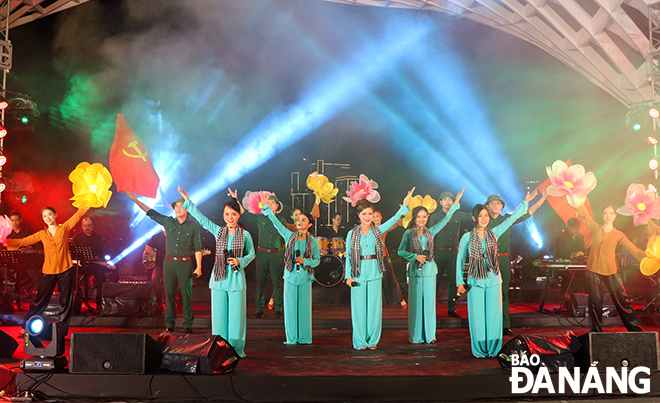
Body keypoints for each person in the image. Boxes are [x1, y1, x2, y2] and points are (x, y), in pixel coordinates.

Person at [456, 191, 535, 358]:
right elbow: (460, 260)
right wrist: (459, 282)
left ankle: (493, 349)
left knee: (493, 316)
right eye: (481, 216)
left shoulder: (495, 233)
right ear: (474, 218)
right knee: (477, 317)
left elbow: (511, 219)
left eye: (486, 215)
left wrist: (525, 203)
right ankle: (479, 349)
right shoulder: (466, 237)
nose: (484, 218)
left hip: (493, 279)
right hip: (475, 281)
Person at [177, 187, 254, 357]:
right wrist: (188, 202)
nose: (230, 217)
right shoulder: (219, 231)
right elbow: (202, 220)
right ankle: (220, 347)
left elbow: (252, 254)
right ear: (223, 216)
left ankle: (236, 349)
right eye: (227, 214)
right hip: (219, 278)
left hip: (236, 278)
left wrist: (239, 261)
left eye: (233, 214)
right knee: (218, 317)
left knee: (236, 317)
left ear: (238, 215)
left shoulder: (245, 234)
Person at [345, 188, 414, 350]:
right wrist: (348, 276)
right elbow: (348, 256)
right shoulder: (352, 234)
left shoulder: (377, 231)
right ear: (359, 216)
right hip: (358, 275)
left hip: (375, 273)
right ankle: (361, 341)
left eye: (370, 214)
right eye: (364, 214)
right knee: (359, 310)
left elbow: (393, 220)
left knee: (375, 309)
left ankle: (373, 341)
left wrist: (405, 205)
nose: (367, 217)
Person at [126, 192, 202, 333]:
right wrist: (135, 200)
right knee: (169, 295)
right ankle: (169, 325)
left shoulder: (193, 227)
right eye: (176, 206)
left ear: (187, 209)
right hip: (168, 264)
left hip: (185, 264)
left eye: (181, 206)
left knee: (186, 295)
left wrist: (199, 267)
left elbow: (198, 247)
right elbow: (151, 212)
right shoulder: (168, 222)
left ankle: (187, 325)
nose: (178, 209)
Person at [7, 206, 89, 334]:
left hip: (66, 270)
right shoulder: (42, 234)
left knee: (65, 302)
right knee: (40, 300)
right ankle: (26, 326)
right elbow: (22, 241)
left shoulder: (64, 228)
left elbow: (78, 215)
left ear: (55, 215)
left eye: (49, 214)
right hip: (49, 270)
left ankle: (61, 331)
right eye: (44, 216)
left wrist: (89, 201)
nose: (47, 218)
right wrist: (5, 241)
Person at [398, 188, 464, 344]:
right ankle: (416, 336)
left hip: (429, 270)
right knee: (415, 305)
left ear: (427, 218)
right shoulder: (408, 233)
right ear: (414, 218)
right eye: (419, 217)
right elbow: (400, 251)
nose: (421, 219)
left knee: (429, 304)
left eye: (424, 217)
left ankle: (430, 335)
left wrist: (455, 204)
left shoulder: (431, 231)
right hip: (415, 272)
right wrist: (414, 256)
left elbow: (446, 219)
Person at [485, 190, 547, 335]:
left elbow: (528, 212)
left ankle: (505, 325)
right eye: (492, 203)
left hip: (503, 259)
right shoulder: (483, 220)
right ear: (487, 206)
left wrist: (542, 198)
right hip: (487, 259)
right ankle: (489, 323)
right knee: (488, 292)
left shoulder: (507, 218)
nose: (495, 205)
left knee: (504, 293)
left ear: (501, 206)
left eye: (498, 203)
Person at [261, 191, 320, 344]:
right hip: (290, 276)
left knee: (304, 310)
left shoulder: (313, 242)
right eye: (298, 219)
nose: (299, 221)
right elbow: (275, 222)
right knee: (290, 310)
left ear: (309, 224)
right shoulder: (289, 235)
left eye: (303, 220)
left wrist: (306, 261)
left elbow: (317, 261)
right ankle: (292, 338)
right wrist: (267, 208)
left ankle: (305, 338)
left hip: (305, 277)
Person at [576, 204, 646, 332]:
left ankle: (635, 329)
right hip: (593, 270)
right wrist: (578, 203)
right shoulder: (596, 228)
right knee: (595, 302)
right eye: (605, 213)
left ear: (615, 216)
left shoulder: (618, 234)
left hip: (611, 270)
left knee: (621, 300)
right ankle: (596, 332)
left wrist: (649, 257)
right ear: (602, 216)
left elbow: (634, 250)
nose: (608, 216)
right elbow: (584, 216)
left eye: (611, 213)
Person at [229, 188, 286, 319]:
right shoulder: (260, 219)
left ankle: (278, 309)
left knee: (277, 283)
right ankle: (259, 309)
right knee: (260, 282)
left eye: (272, 203)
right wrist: (235, 200)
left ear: (277, 206)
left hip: (277, 254)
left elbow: (284, 235)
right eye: (268, 202)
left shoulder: (281, 220)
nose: (270, 204)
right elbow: (243, 212)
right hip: (262, 254)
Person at [427, 191, 474, 318]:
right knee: (434, 281)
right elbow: (429, 236)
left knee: (453, 281)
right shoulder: (435, 217)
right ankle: (431, 306)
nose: (448, 201)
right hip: (439, 252)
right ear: (440, 202)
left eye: (450, 199)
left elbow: (472, 216)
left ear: (454, 202)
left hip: (454, 253)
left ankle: (452, 308)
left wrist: (484, 212)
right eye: (445, 199)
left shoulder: (458, 214)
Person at [71, 216, 112, 311]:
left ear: (93, 226)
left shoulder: (97, 238)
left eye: (89, 225)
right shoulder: (77, 237)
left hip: (93, 265)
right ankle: (77, 296)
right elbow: (73, 251)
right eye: (85, 226)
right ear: (82, 226)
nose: (87, 228)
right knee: (68, 274)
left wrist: (95, 257)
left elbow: (100, 253)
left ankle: (99, 300)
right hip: (80, 265)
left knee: (101, 277)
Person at [6, 210, 40, 307]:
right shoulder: (7, 232)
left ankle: (35, 298)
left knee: (34, 275)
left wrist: (25, 249)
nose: (15, 223)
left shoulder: (26, 231)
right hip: (11, 261)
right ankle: (10, 295)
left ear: (20, 220)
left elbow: (33, 245)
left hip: (25, 259)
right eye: (12, 220)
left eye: (16, 220)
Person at [373, 210, 406, 308]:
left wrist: (407, 219)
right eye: (373, 216)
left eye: (377, 216)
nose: (375, 218)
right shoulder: (369, 228)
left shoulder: (384, 227)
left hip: (383, 255)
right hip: (372, 257)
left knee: (390, 277)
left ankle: (399, 299)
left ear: (381, 217)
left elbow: (395, 223)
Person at [143, 229, 166, 311]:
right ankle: (159, 303)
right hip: (159, 265)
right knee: (154, 280)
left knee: (169, 282)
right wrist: (159, 255)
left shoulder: (175, 237)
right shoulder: (157, 237)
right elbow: (148, 249)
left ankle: (169, 303)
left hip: (171, 266)